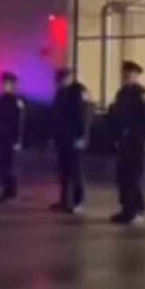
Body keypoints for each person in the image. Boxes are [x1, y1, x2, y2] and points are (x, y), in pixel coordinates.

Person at [107, 61, 145, 225]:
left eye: (129, 75)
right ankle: (126, 209)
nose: (125, 78)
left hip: (139, 141)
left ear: (136, 76)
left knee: (137, 177)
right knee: (123, 176)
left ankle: (137, 210)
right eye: (124, 75)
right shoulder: (122, 93)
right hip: (124, 141)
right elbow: (116, 116)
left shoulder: (142, 93)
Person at [50, 67, 93, 214]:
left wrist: (82, 136)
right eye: (59, 80)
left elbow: (86, 115)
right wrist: (54, 135)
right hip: (62, 138)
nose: (61, 82)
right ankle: (64, 201)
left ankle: (78, 201)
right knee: (64, 171)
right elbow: (55, 115)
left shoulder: (80, 91)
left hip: (76, 138)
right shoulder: (60, 92)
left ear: (70, 77)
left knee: (76, 171)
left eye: (64, 79)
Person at [0, 71, 26, 203]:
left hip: (11, 138)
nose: (5, 86)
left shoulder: (17, 102)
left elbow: (20, 122)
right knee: (2, 165)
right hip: (1, 137)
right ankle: (5, 190)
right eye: (3, 84)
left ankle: (12, 192)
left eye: (8, 84)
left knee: (11, 166)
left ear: (13, 85)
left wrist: (18, 140)